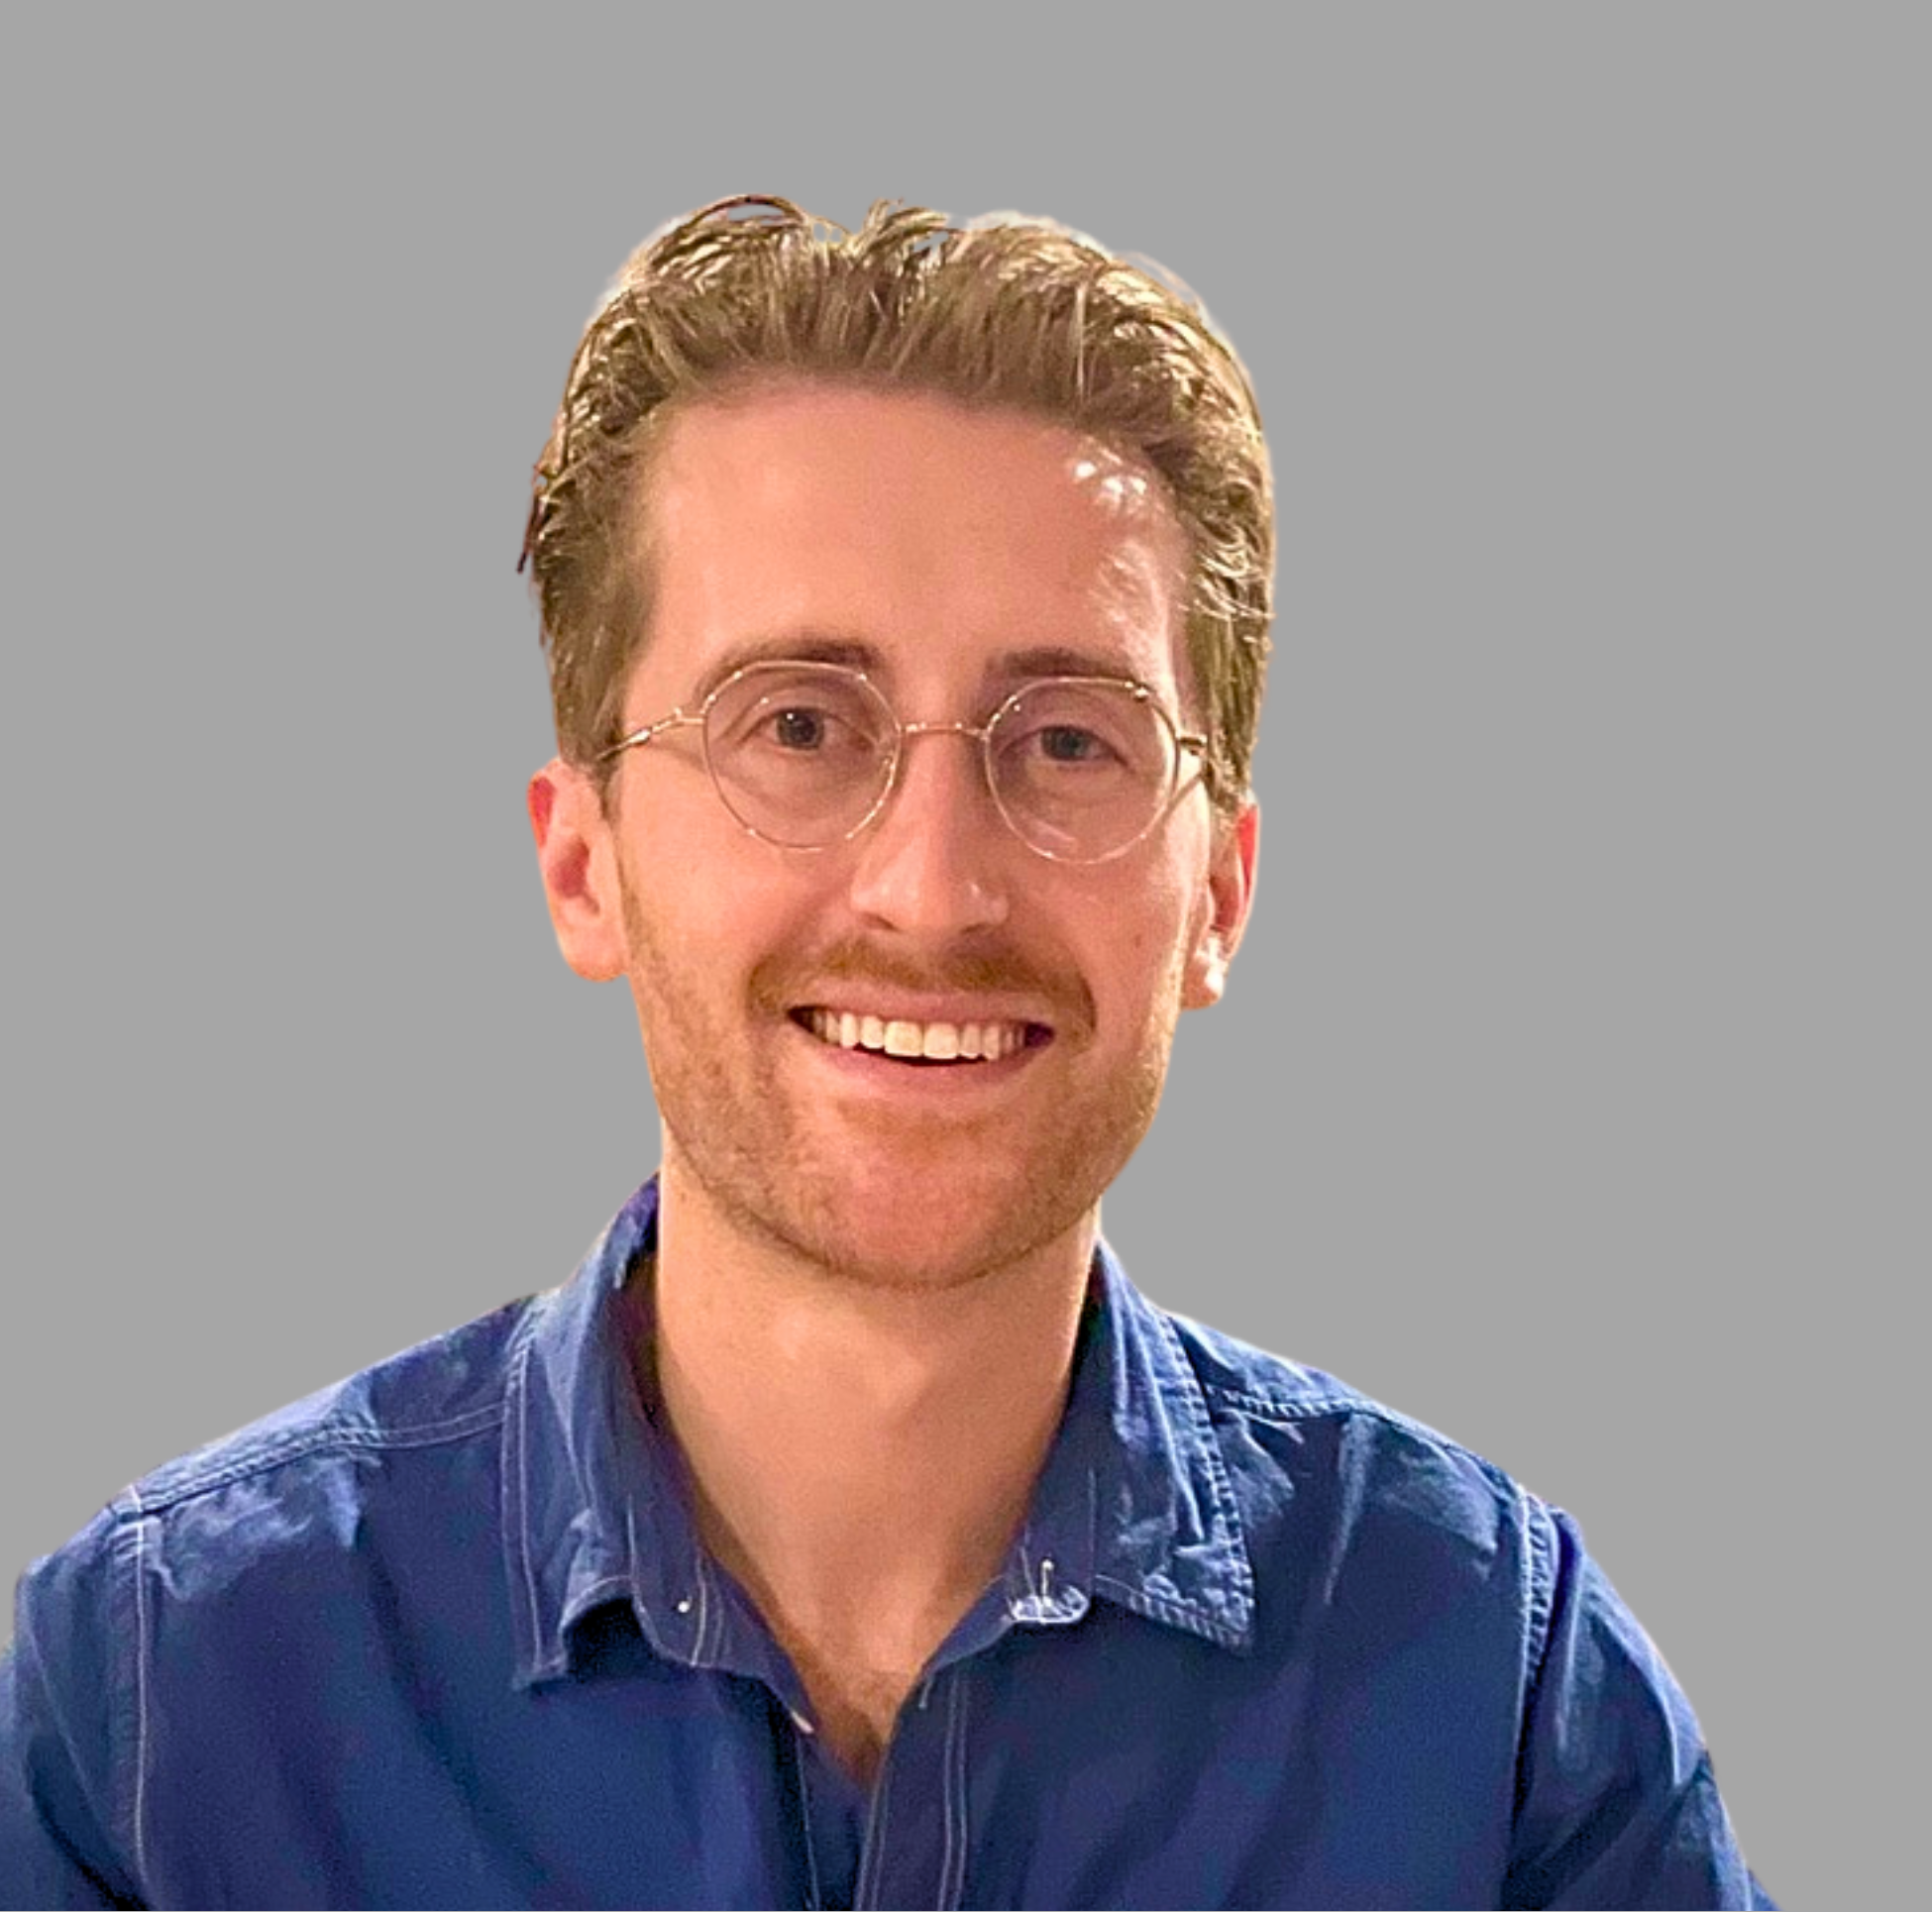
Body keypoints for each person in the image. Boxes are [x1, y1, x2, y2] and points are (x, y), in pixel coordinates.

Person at [0, 194, 1772, 1910]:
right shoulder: (158, 1697)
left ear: (1219, 893)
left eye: (1067, 741)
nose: (931, 888)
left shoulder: (1497, 1698)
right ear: (583, 860)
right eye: (797, 724)